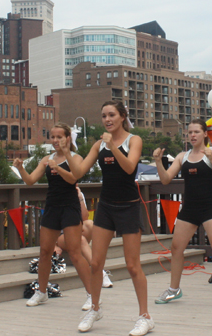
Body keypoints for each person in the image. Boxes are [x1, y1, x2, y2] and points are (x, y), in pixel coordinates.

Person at [60, 101, 154, 335]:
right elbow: (77, 174)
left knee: (132, 266)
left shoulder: (134, 140)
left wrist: (113, 147)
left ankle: (145, 317)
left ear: (122, 116)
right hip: (106, 207)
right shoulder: (98, 144)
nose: (107, 119)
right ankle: (95, 308)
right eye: (103, 116)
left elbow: (130, 167)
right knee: (95, 263)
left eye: (111, 115)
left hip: (129, 207)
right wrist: (65, 153)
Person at [153, 119, 212, 310]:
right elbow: (165, 180)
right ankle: (174, 289)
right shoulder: (182, 156)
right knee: (176, 248)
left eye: (196, 132)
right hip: (189, 208)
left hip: (210, 207)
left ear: (205, 134)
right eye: (190, 132)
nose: (193, 135)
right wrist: (157, 162)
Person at [13, 123, 94, 317]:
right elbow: (31, 181)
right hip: (52, 207)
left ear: (68, 138)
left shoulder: (75, 158)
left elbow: (74, 178)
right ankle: (42, 292)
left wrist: (58, 167)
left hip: (69, 207)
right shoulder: (46, 159)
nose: (56, 140)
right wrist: (21, 168)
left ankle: (92, 294)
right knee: (44, 252)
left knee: (75, 253)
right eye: (53, 137)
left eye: (60, 137)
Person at [55, 186, 113, 290]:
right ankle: (100, 272)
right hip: (61, 236)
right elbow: (49, 225)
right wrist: (53, 246)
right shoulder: (57, 194)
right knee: (80, 240)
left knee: (90, 224)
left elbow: (84, 217)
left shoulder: (78, 194)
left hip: (76, 230)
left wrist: (80, 198)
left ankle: (94, 263)